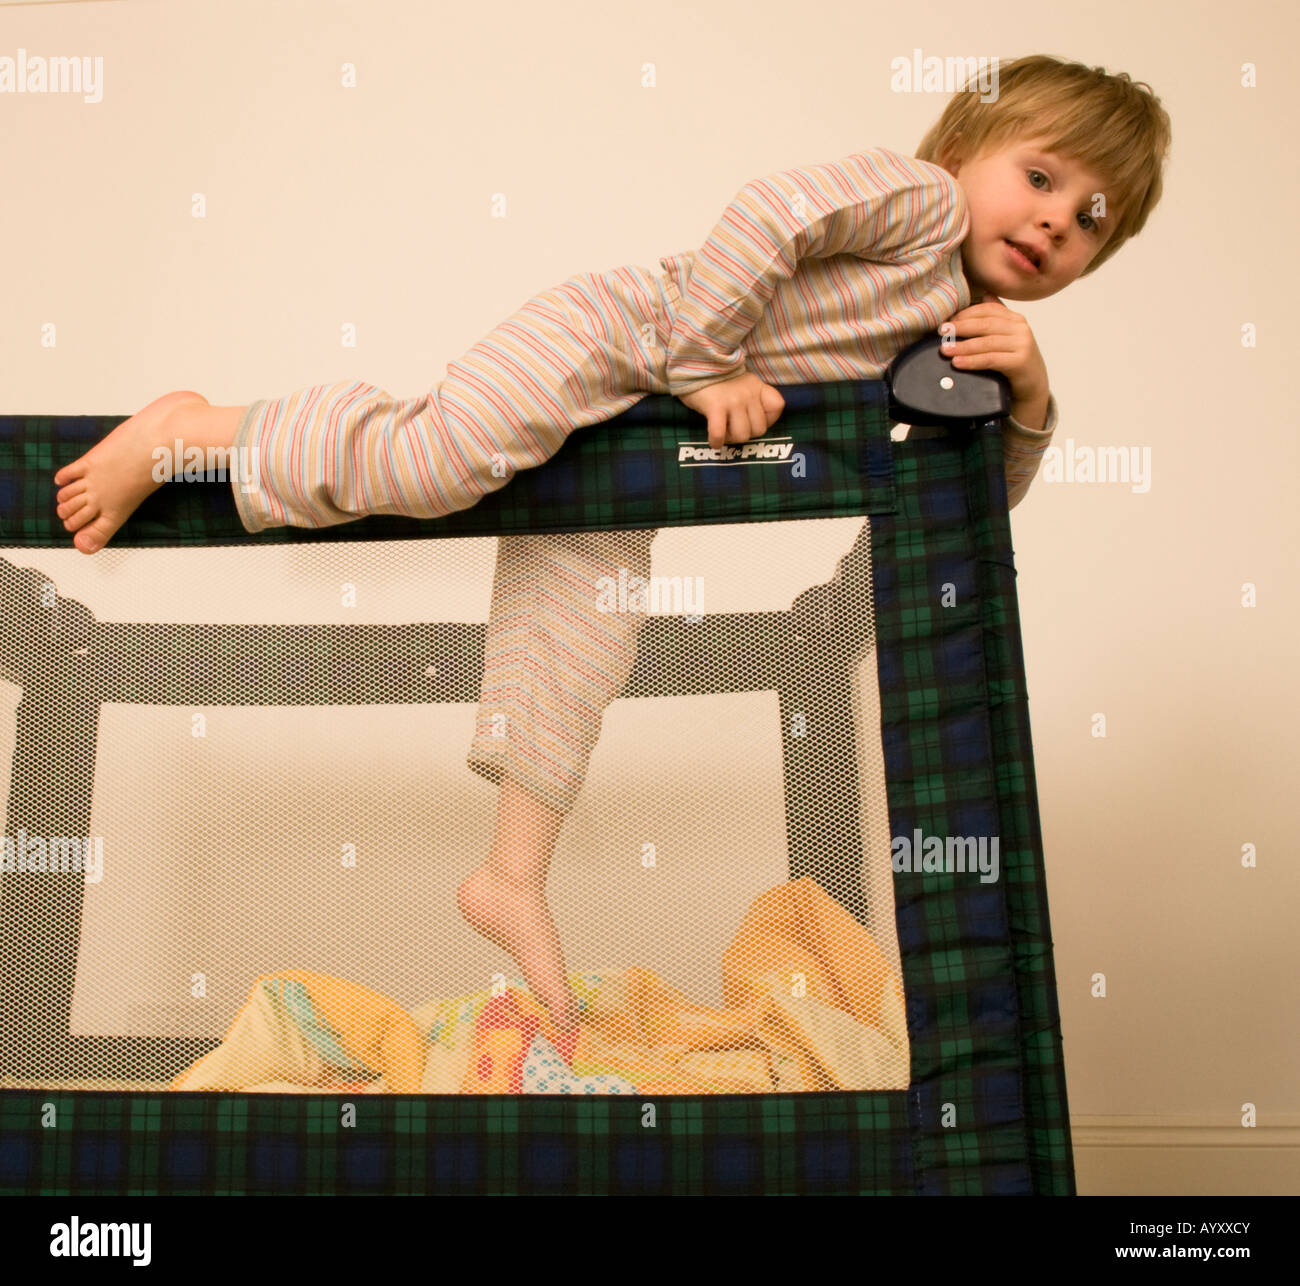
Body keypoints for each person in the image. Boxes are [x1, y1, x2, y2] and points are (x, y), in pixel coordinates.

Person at [51, 55, 1171, 1034]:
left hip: (639, 437)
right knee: (435, 461)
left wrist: (1028, 392)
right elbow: (765, 214)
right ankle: (191, 432)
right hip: (616, 338)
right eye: (1040, 178)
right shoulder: (918, 201)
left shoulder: (956, 338)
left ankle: (509, 873)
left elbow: (972, 504)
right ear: (968, 150)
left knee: (586, 623)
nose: (1054, 222)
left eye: (1090, 222)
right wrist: (704, 363)